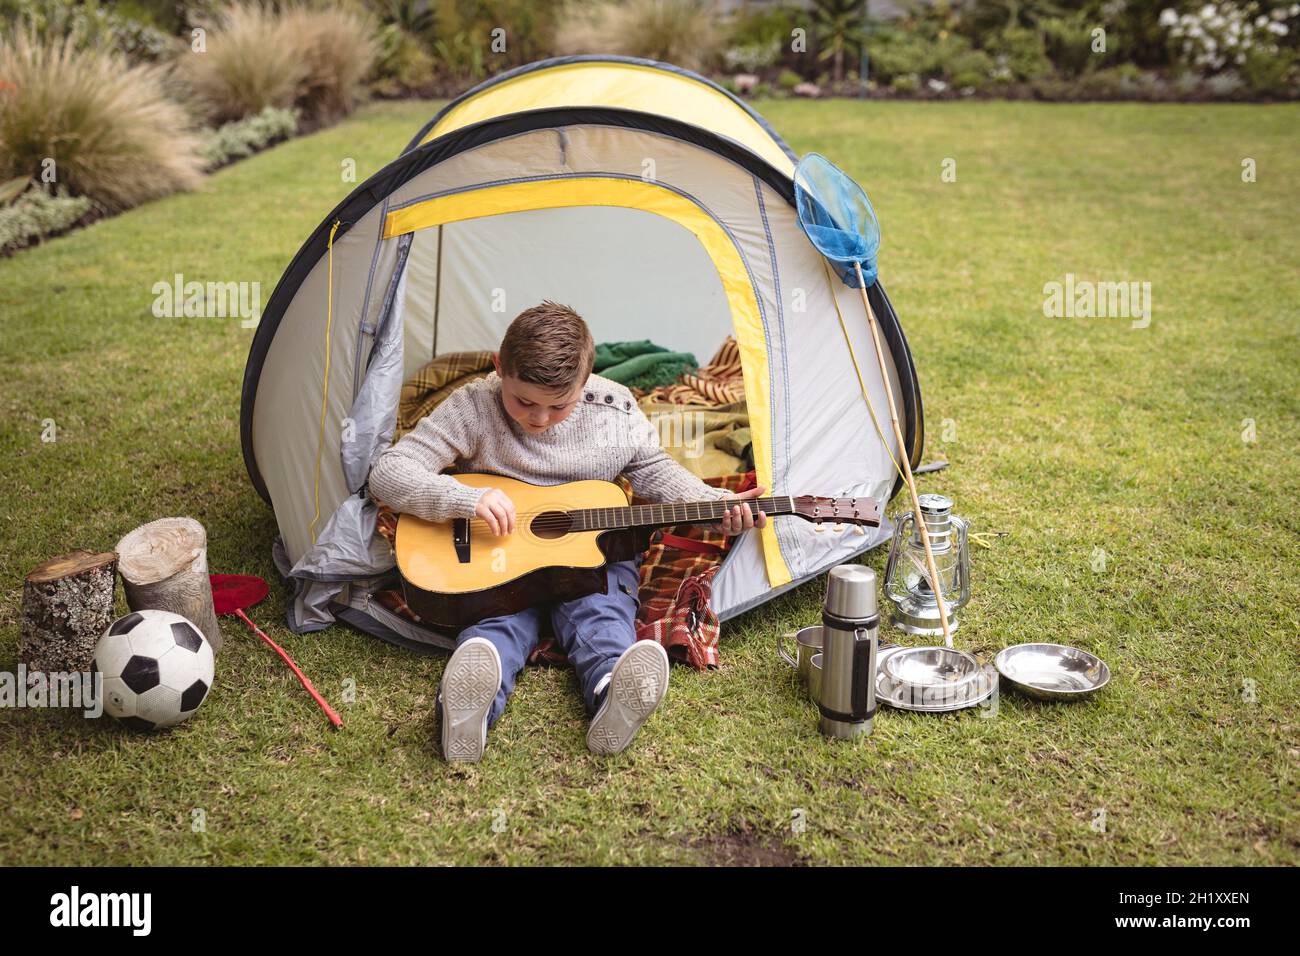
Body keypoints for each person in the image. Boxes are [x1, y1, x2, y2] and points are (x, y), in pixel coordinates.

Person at [368, 301, 768, 762]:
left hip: (592, 552)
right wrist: (465, 500)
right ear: (500, 369)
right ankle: (470, 698)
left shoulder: (615, 408)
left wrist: (716, 505)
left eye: (559, 406)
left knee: (601, 609)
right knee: (498, 620)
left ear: (587, 380)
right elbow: (390, 471)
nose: (538, 419)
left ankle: (612, 689)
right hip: (495, 553)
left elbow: (655, 472)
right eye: (523, 402)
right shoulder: (474, 405)